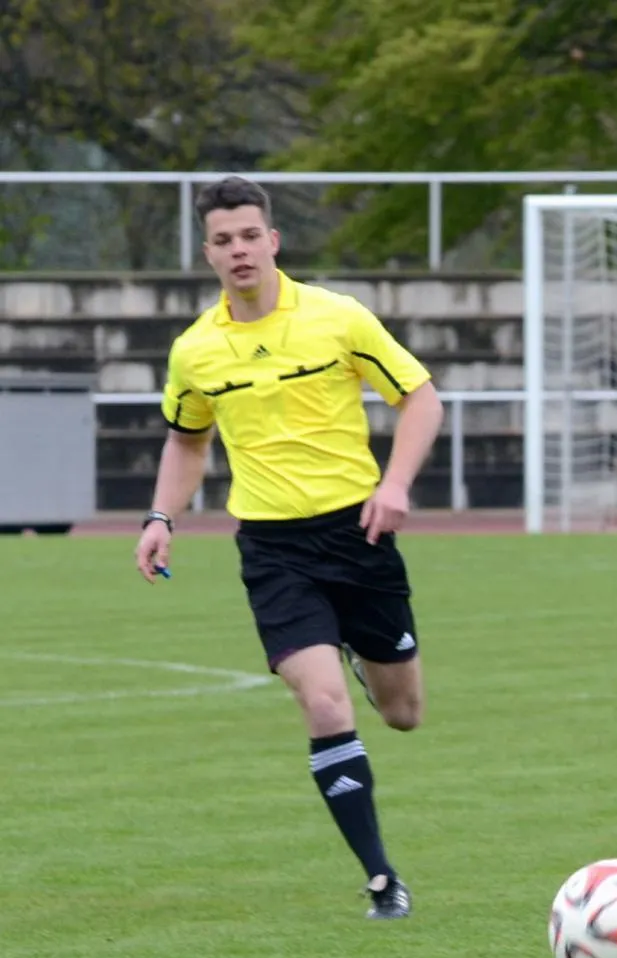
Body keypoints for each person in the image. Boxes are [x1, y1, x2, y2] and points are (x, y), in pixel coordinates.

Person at [135, 175, 443, 919]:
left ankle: (367, 660)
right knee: (324, 702)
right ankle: (382, 880)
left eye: (250, 235)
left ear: (272, 240)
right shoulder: (196, 351)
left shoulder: (338, 318)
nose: (239, 249)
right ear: (208, 253)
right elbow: (187, 441)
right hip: (274, 549)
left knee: (404, 712)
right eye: (223, 240)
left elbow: (421, 398)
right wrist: (161, 516)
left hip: (360, 533)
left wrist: (396, 484)